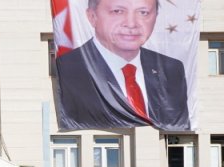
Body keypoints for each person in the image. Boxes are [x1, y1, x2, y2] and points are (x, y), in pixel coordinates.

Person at [54, 0, 189, 131]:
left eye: (143, 13)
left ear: (156, 17)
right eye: (118, 11)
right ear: (92, 16)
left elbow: (179, 122)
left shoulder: (171, 69)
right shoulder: (68, 68)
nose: (131, 24)